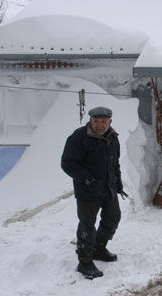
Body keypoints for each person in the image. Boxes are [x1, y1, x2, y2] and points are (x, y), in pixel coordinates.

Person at [61, 106, 127, 280]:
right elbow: (68, 163)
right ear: (90, 120)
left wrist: (118, 183)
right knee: (87, 225)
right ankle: (84, 262)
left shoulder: (113, 138)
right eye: (96, 121)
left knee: (113, 219)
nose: (99, 125)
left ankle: (98, 248)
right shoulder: (79, 137)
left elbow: (115, 164)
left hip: (108, 188)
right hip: (88, 191)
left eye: (103, 121)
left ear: (110, 122)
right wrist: (87, 179)